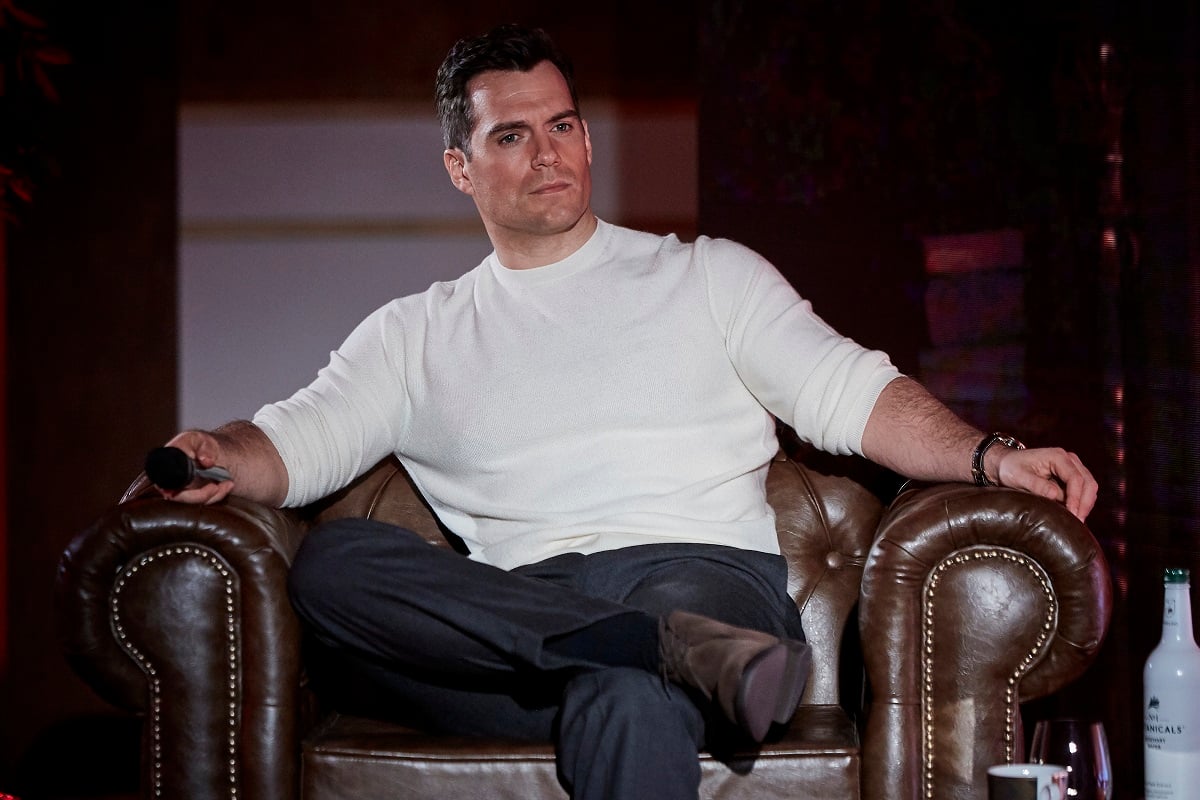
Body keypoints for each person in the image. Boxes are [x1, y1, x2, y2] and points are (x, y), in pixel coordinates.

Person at [158, 24, 1098, 800]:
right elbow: (294, 441)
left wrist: (990, 456)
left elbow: (852, 391)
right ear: (459, 167)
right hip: (537, 625)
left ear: (585, 137)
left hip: (697, 581)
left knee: (633, 677)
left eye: (562, 124)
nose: (548, 153)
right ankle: (655, 653)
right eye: (510, 136)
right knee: (339, 566)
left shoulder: (708, 276)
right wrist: (214, 453)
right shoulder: (415, 334)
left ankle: (663, 644)